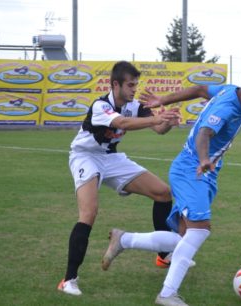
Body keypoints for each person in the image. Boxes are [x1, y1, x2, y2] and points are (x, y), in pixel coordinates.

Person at [101, 66, 241, 306]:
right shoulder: (227, 106)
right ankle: (167, 294)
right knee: (199, 230)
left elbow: (199, 89)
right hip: (192, 170)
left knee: (184, 238)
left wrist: (162, 99)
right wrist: (204, 159)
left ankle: (124, 239)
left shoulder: (229, 90)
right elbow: (203, 134)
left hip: (201, 172)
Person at [57, 61, 182, 296]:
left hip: (111, 158)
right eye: (130, 85)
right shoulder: (100, 106)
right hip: (85, 157)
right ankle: (68, 280)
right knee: (89, 213)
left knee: (163, 192)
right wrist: (156, 119)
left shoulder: (135, 105)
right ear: (115, 84)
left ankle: (164, 255)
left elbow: (158, 130)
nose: (135, 89)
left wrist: (168, 122)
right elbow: (121, 123)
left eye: (136, 84)